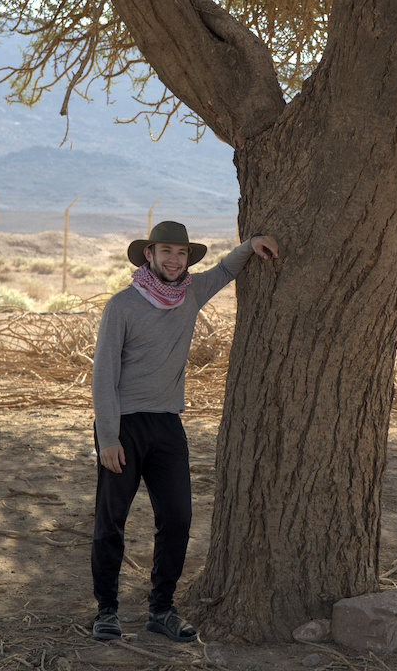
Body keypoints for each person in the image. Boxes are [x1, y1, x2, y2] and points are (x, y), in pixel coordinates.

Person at [89, 220, 278, 643]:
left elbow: (228, 270)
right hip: (123, 426)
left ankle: (161, 610)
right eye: (166, 252)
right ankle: (106, 610)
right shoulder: (121, 306)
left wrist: (251, 243)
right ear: (148, 256)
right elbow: (103, 375)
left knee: (177, 517)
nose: (174, 260)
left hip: (168, 426)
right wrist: (108, 438)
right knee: (111, 521)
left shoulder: (190, 293)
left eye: (181, 253)